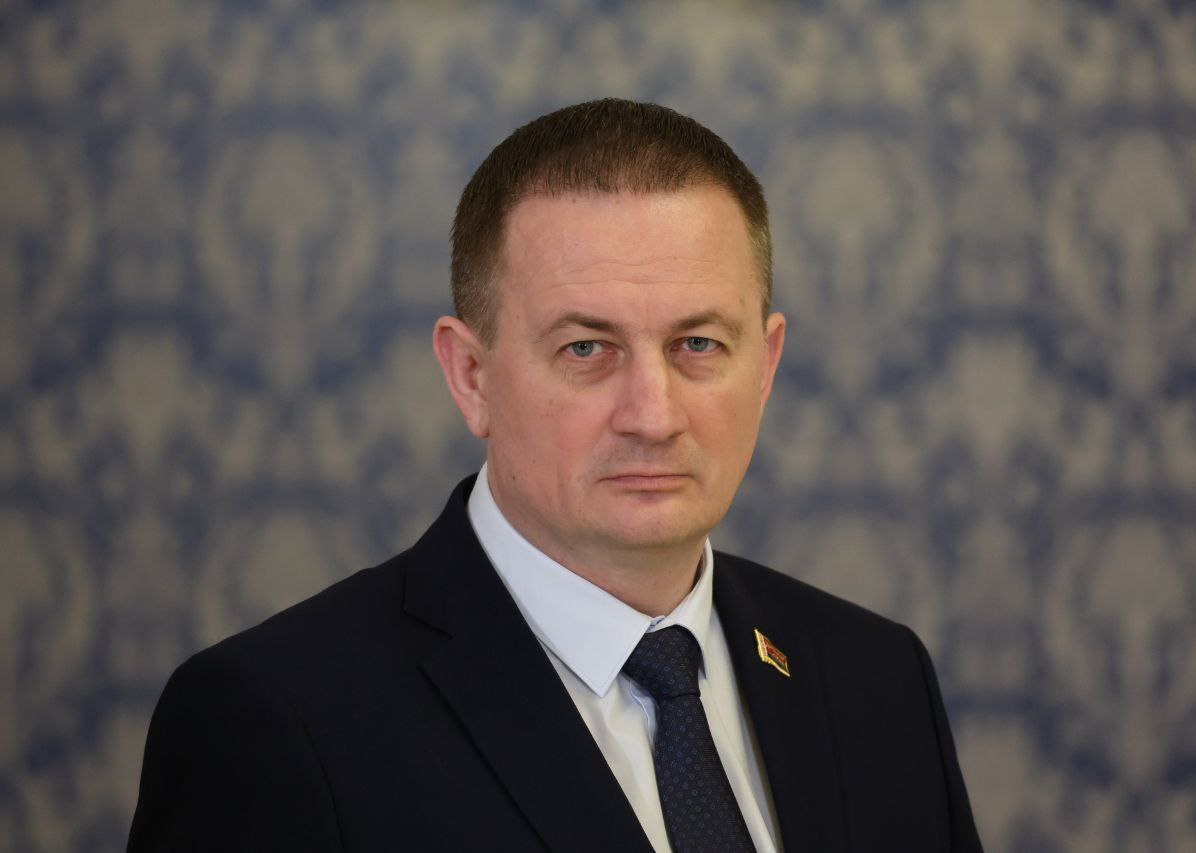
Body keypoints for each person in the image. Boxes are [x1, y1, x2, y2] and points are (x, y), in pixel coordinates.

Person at [128, 98, 982, 852]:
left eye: (698, 344)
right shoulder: (279, 721)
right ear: (471, 376)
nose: (653, 414)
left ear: (765, 364)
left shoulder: (877, 679)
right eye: (586, 349)